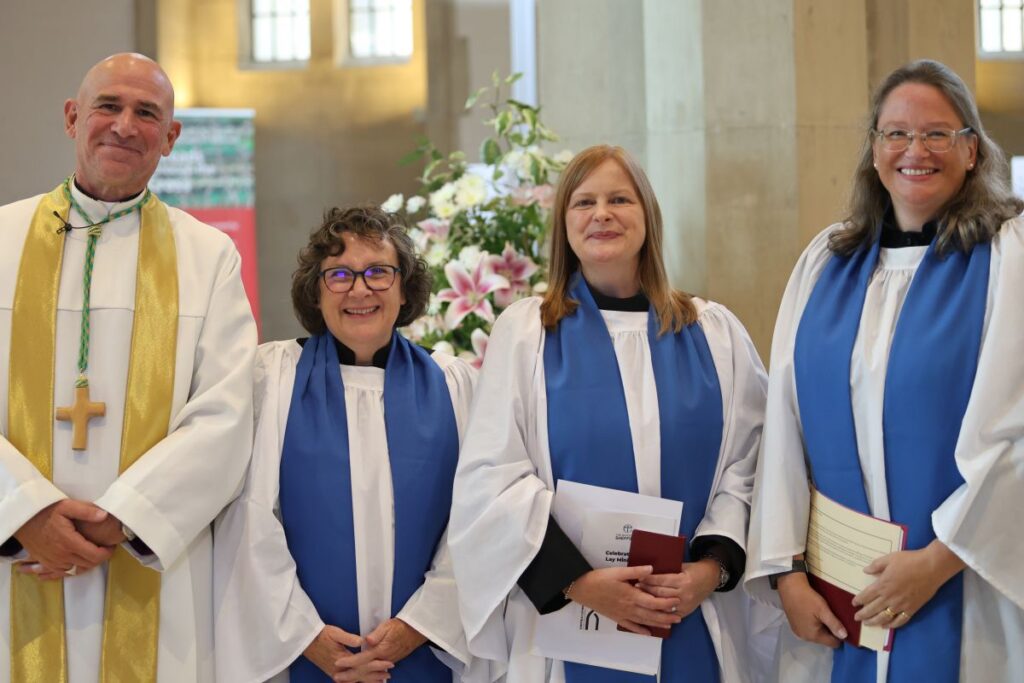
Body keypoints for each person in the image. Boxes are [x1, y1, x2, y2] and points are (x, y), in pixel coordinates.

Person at [447, 145, 778, 682]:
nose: (602, 213)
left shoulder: (715, 333)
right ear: (564, 225)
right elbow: (492, 478)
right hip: (571, 621)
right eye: (584, 202)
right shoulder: (528, 333)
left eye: (619, 199)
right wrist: (580, 583)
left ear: (647, 216)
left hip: (692, 613)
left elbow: (752, 462)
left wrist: (708, 571)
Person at [745, 59, 1024, 682]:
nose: (914, 150)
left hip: (968, 587)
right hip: (840, 600)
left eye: (937, 134)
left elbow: (1018, 436)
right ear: (874, 151)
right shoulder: (825, 262)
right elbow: (784, 427)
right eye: (895, 133)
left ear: (972, 150)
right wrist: (787, 574)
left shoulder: (1010, 257)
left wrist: (937, 562)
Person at [0, 53, 257, 681]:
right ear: (71, 118)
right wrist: (23, 512)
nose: (124, 125)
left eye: (147, 113)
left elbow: (226, 411)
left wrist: (126, 517)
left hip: (148, 566)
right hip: (16, 562)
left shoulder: (208, 256)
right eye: (107, 107)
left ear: (170, 138)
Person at [213, 205, 481, 683]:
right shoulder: (271, 377)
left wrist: (419, 625)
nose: (360, 289)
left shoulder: (454, 384)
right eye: (339, 274)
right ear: (316, 292)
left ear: (405, 289)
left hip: (423, 653)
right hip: (302, 657)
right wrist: (307, 637)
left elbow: (477, 521)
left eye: (379, 272)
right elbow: (246, 517)